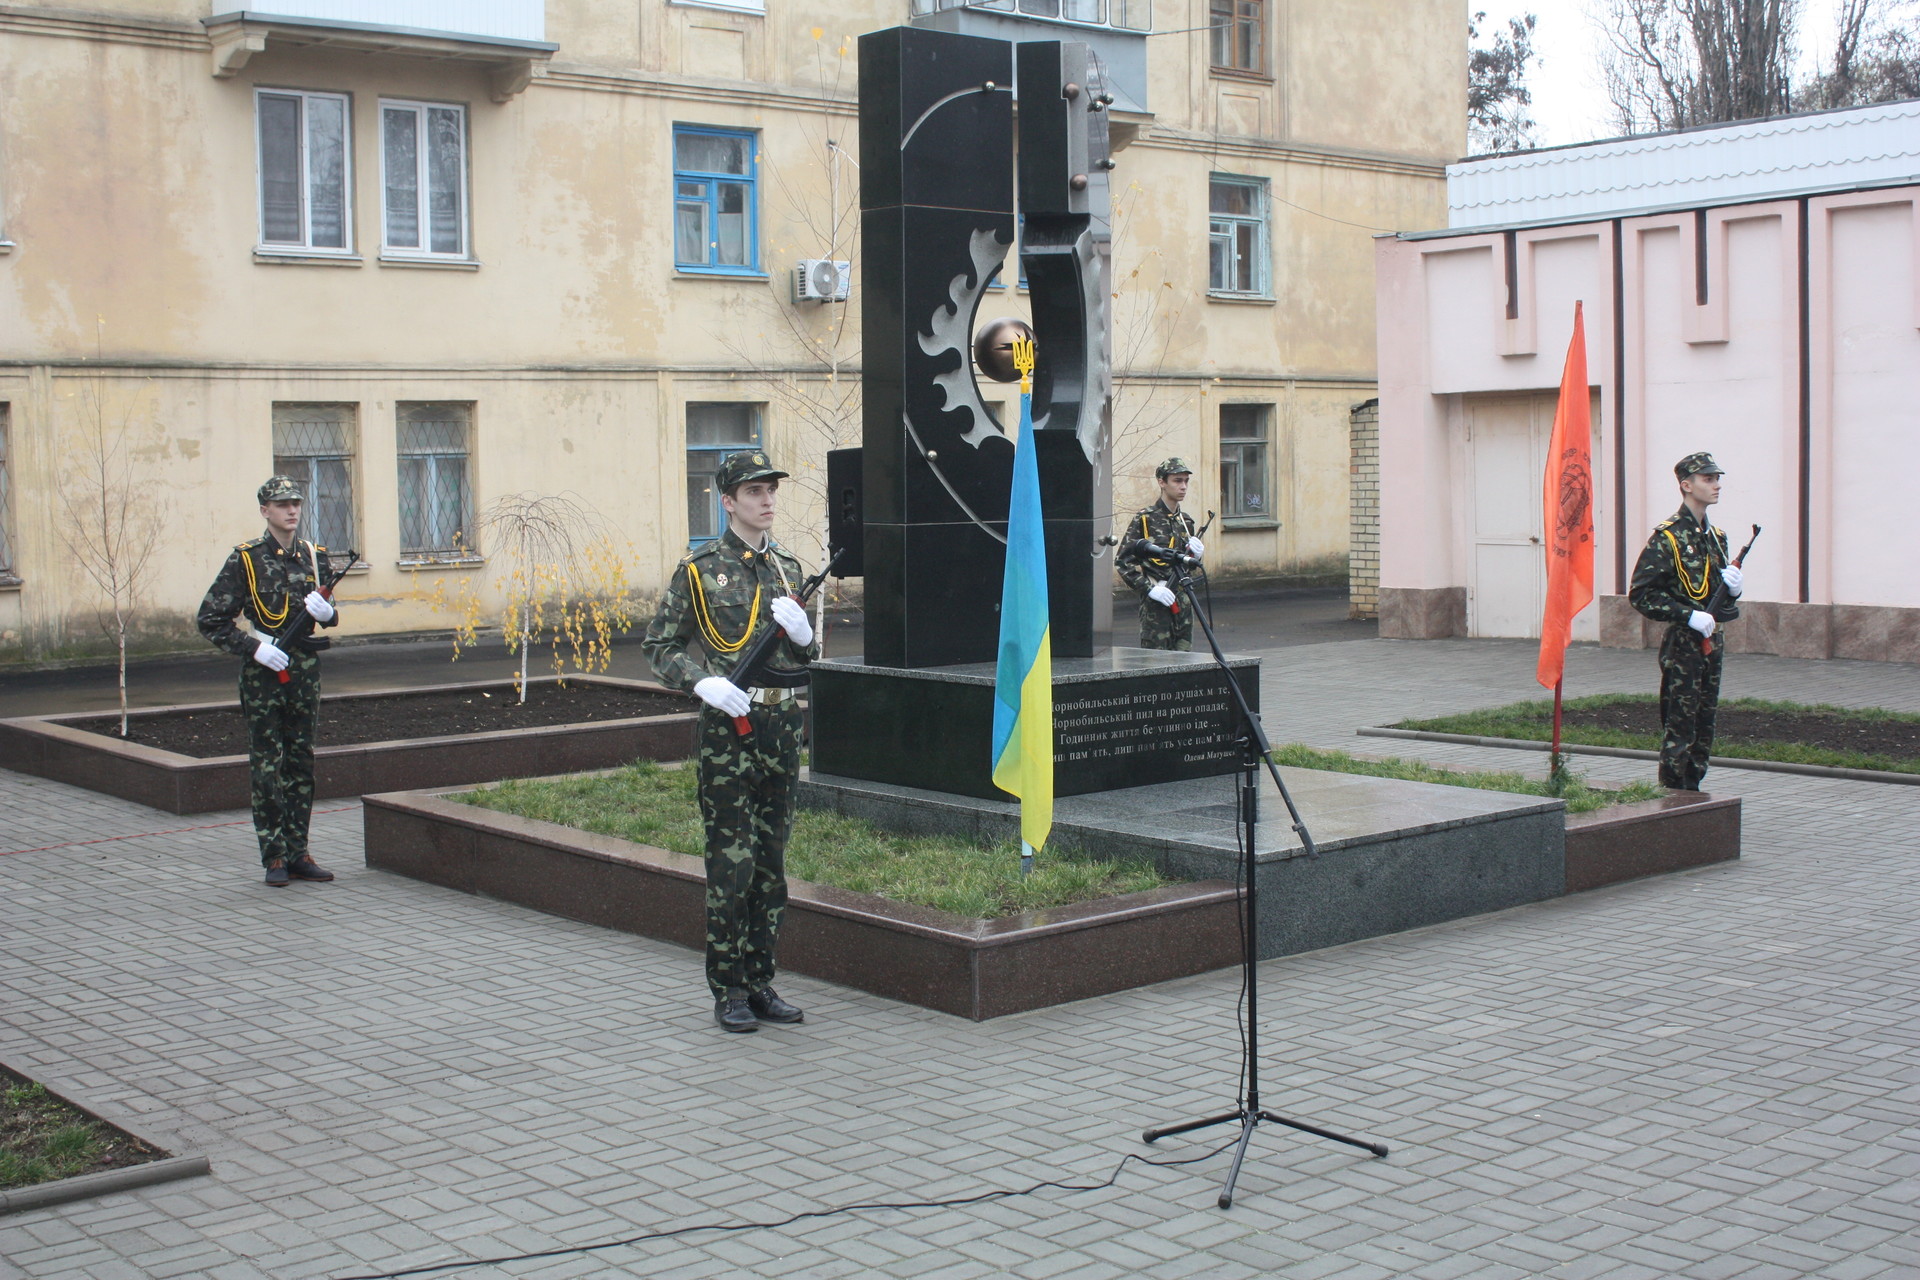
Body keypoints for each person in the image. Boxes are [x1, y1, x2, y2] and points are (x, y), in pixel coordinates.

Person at [642, 450, 821, 1033]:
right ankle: (729, 989)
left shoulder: (791, 569)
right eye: (753, 492)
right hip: (728, 730)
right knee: (733, 864)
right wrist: (703, 683)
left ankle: (762, 979)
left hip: (781, 726)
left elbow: (806, 659)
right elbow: (658, 647)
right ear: (727, 502)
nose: (766, 500)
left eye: (770, 490)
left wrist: (805, 636)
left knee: (771, 863)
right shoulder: (699, 569)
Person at [197, 476, 340, 886]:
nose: (291, 510)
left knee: (301, 762)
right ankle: (274, 856)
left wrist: (328, 615)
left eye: (295, 503)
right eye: (281, 504)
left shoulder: (316, 557)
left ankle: (299, 852)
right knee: (267, 764)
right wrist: (253, 648)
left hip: (304, 672)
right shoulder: (246, 559)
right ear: (265, 511)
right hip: (263, 674)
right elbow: (210, 620)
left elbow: (331, 615)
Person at [1628, 452, 1743, 791]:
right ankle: (1674, 795)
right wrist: (1687, 615)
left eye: (1716, 478)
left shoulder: (1716, 537)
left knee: (1705, 722)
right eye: (1708, 479)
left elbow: (1714, 594)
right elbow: (1641, 594)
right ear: (1686, 484)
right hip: (1683, 645)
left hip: (1712, 643)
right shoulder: (1668, 537)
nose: (1716, 485)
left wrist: (1733, 592)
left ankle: (1693, 789)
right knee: (1681, 725)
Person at [1116, 457, 1206, 651]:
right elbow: (1123, 562)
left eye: (1186, 481)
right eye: (1177, 480)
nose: (1183, 487)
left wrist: (1197, 557)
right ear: (1162, 482)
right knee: (1155, 659)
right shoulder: (1145, 519)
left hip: (1183, 600)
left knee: (1184, 658)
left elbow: (1187, 565)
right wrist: (1149, 589)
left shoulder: (1186, 522)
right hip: (1157, 604)